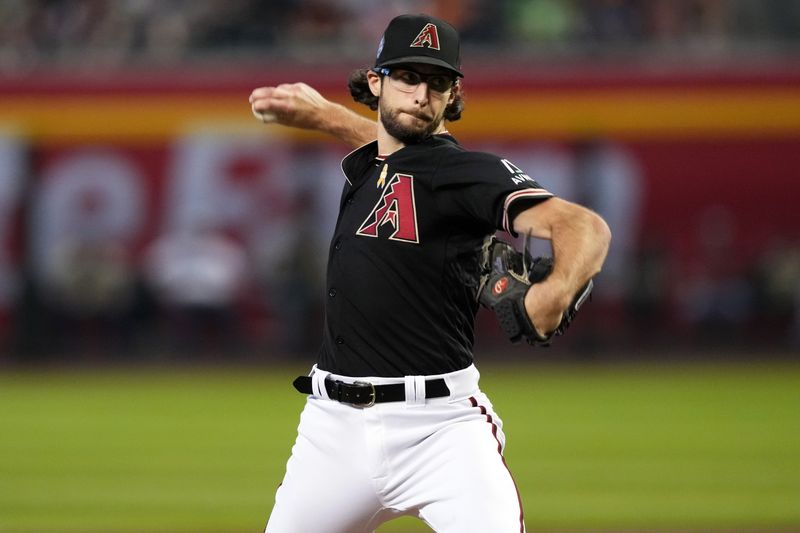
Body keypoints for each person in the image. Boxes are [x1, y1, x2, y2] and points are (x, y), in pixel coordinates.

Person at [249, 13, 611, 533]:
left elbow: (584, 227)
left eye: (437, 82)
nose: (421, 94)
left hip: (441, 430)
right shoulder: (378, 162)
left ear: (454, 94)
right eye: (407, 77)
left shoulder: (463, 173)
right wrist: (325, 115)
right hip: (332, 431)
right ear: (376, 83)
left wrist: (551, 297)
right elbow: (387, 147)